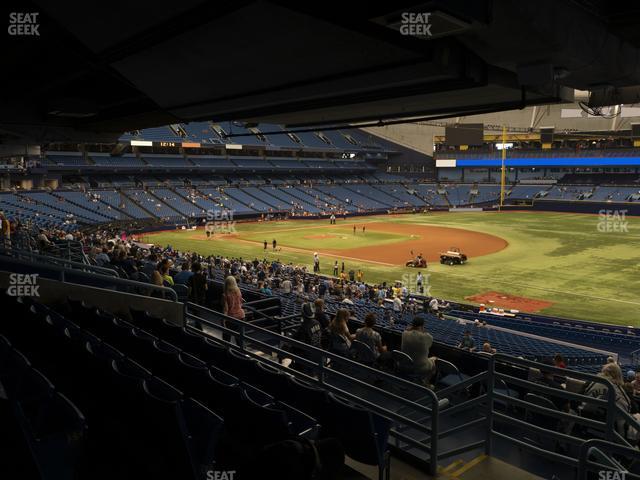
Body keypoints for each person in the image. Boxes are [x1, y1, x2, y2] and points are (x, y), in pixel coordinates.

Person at [401, 316, 436, 384]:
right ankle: (426, 383)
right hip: (419, 366)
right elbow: (429, 344)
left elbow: (408, 330)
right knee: (434, 359)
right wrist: (423, 331)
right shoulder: (427, 337)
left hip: (404, 363)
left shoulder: (404, 333)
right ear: (422, 326)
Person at [222, 275, 245, 343]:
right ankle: (241, 353)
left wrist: (223, 321)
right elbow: (241, 303)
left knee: (226, 339)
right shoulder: (238, 291)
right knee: (239, 339)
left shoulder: (225, 295)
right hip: (241, 316)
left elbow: (225, 310)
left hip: (231, 318)